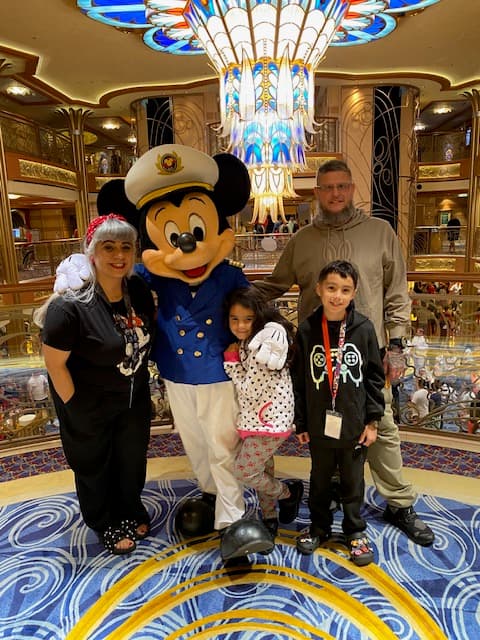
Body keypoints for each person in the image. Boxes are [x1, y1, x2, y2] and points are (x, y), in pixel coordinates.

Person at [254, 158, 435, 546]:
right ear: (317, 193)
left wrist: (398, 346)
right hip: (317, 357)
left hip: (365, 356)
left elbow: (397, 291)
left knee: (380, 426)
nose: (335, 194)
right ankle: (334, 493)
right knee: (322, 429)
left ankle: (399, 502)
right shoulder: (302, 240)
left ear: (352, 189)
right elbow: (273, 285)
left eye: (342, 186)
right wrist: (229, 293)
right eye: (327, 188)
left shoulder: (380, 232)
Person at [34, 214, 155, 555]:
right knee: (95, 465)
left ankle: (130, 508)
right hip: (89, 403)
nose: (119, 255)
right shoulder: (70, 306)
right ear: (92, 253)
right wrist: (75, 406)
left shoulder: (139, 291)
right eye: (109, 247)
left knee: (131, 460)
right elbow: (54, 365)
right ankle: (103, 520)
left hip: (133, 398)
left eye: (126, 247)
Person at [292, 261, 383, 566]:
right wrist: (301, 422)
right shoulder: (306, 330)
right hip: (319, 425)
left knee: (353, 482)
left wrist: (373, 421)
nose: (337, 296)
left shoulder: (364, 329)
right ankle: (318, 527)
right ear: (318, 289)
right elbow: (299, 381)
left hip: (355, 425)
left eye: (345, 290)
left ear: (354, 292)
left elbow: (373, 378)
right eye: (331, 288)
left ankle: (355, 530)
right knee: (318, 480)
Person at [223, 287, 303, 547]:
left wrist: (232, 362)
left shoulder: (261, 347)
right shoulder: (254, 341)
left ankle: (288, 493)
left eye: (247, 319)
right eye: (234, 319)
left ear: (257, 318)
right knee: (263, 468)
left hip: (269, 421)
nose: (240, 325)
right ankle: (269, 516)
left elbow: (248, 390)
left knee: (245, 471)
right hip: (261, 419)